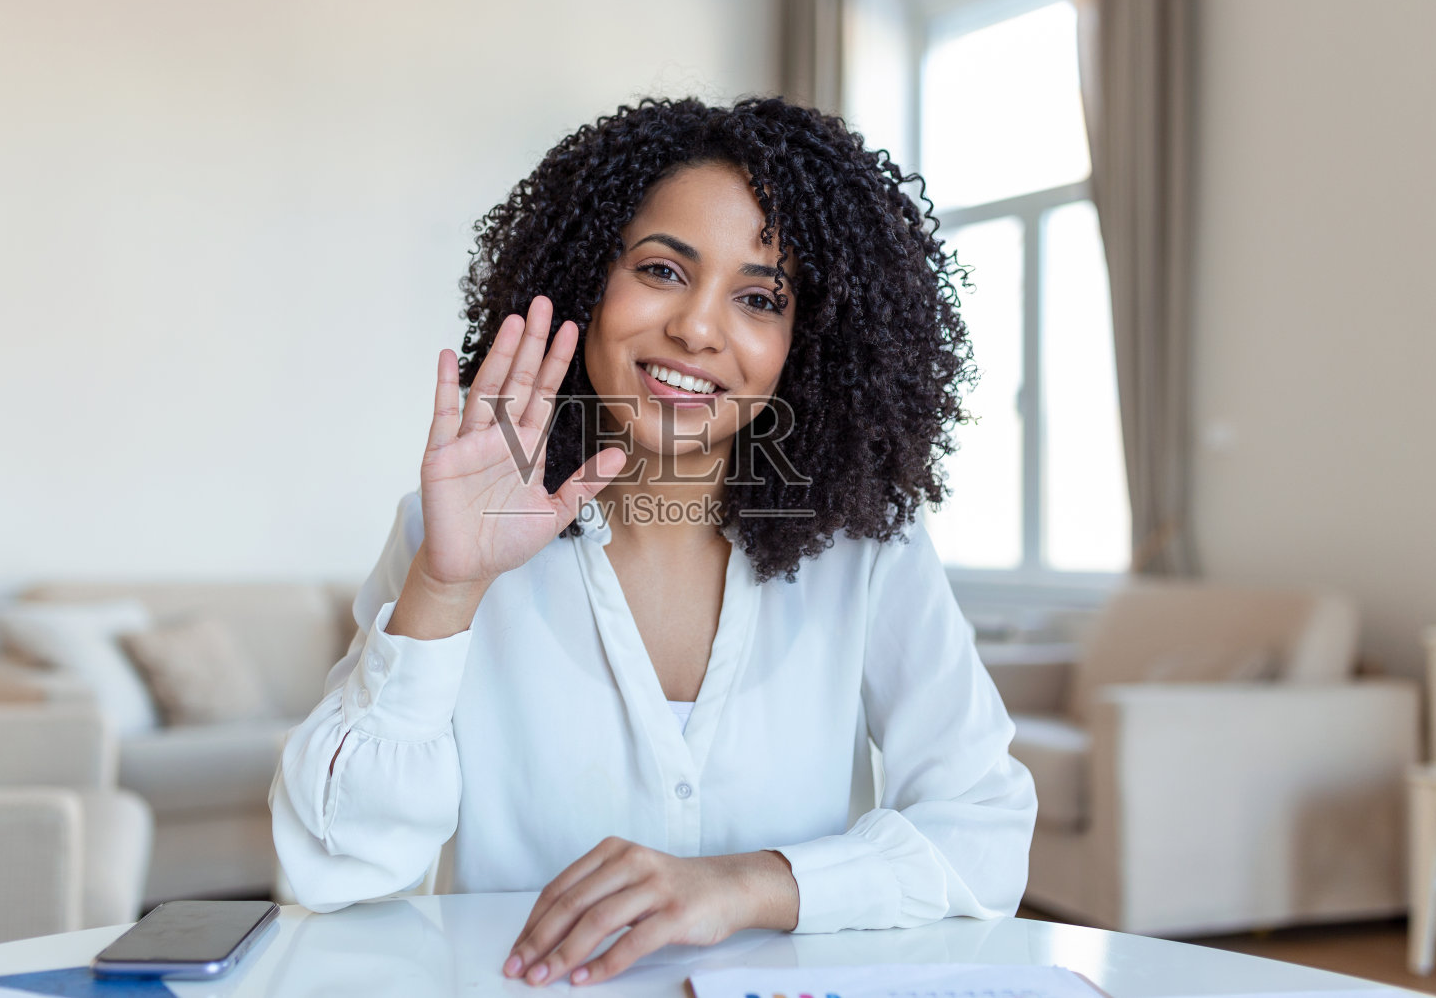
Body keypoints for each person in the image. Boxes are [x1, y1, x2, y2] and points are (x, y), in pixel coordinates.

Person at [271, 96, 1037, 988]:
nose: (699, 328)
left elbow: (984, 829)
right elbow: (331, 880)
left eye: (759, 297)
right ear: (587, 277)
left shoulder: (867, 547)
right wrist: (445, 590)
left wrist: (752, 883)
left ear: (810, 342)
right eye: (664, 270)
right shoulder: (448, 535)